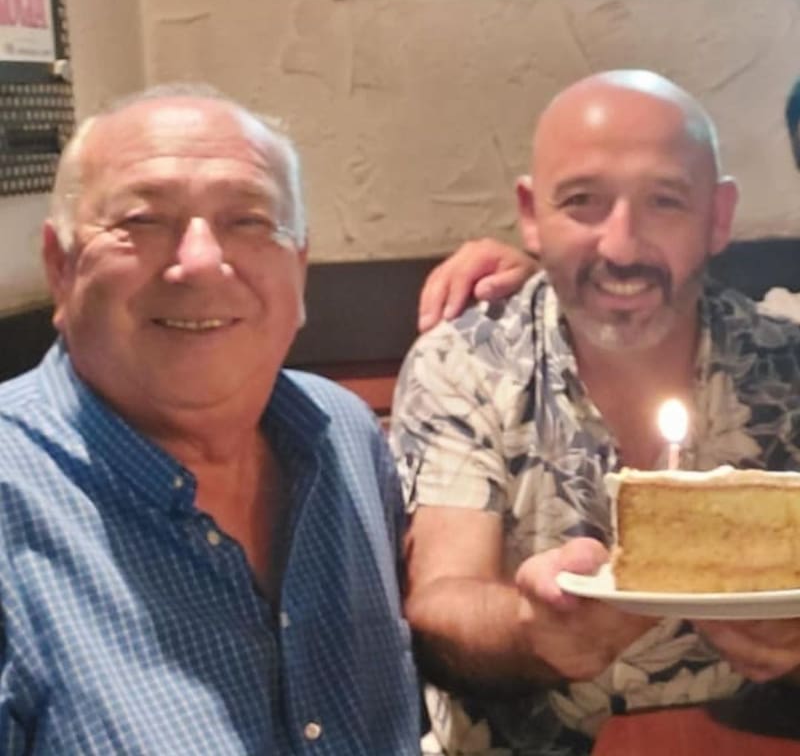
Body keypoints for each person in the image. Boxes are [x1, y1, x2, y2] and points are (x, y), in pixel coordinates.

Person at [0, 85, 420, 754]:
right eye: (142, 220)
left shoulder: (343, 435)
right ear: (61, 265)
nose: (199, 261)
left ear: (299, 267)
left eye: (249, 221)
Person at [391, 70, 800, 756]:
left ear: (717, 217)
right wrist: (531, 630)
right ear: (531, 214)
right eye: (582, 202)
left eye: (665, 202)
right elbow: (441, 597)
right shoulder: (467, 364)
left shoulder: (786, 367)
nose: (621, 247)